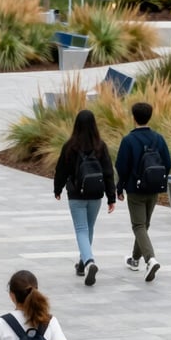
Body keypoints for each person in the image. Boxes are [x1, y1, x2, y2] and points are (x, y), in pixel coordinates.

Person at [53, 110, 116, 287]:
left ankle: (88, 262)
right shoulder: (100, 146)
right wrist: (111, 197)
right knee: (89, 228)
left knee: (81, 229)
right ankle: (82, 264)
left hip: (76, 194)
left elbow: (61, 170)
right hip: (96, 194)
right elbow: (108, 173)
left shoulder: (70, 146)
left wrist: (57, 188)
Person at [115, 101, 171, 283]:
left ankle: (150, 259)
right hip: (154, 189)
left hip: (136, 189)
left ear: (134, 118)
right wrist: (159, 180)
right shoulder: (159, 139)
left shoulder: (128, 140)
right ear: (150, 116)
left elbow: (121, 166)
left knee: (139, 226)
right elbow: (168, 163)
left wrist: (120, 187)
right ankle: (134, 260)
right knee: (144, 225)